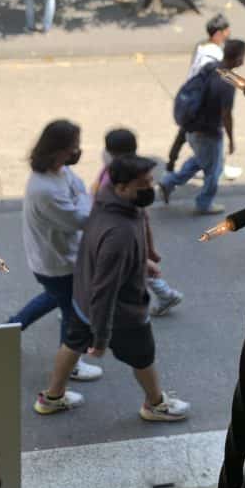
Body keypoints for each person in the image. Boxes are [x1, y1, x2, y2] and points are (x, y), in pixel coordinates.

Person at [35, 154, 190, 422]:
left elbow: (102, 259)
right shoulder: (120, 232)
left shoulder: (107, 201)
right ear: (122, 187)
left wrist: (140, 263)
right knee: (143, 356)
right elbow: (105, 291)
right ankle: (155, 404)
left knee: (72, 343)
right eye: (143, 183)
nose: (149, 187)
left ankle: (52, 397)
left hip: (82, 301)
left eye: (150, 180)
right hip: (121, 314)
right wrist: (101, 338)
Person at [7, 120, 102, 381]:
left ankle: (10, 329)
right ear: (57, 150)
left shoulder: (59, 172)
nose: (77, 151)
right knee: (73, 314)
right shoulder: (45, 189)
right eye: (73, 147)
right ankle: (70, 362)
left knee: (54, 297)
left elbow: (81, 194)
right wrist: (85, 200)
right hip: (58, 262)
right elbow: (81, 217)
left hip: (55, 259)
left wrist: (83, 200)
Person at [93, 128, 184, 316]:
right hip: (122, 232)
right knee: (134, 265)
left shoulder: (117, 177)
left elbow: (140, 216)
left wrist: (148, 249)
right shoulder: (126, 172)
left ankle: (85, 304)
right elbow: (143, 217)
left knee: (124, 267)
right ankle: (165, 293)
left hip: (114, 233)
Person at [159, 40, 245, 215]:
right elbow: (226, 115)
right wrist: (231, 140)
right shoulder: (228, 83)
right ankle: (204, 203)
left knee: (201, 160)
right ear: (238, 59)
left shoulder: (211, 67)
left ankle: (168, 182)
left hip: (192, 128)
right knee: (215, 170)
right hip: (208, 132)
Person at [169, 14, 241, 179]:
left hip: (192, 97)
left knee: (185, 134)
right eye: (226, 31)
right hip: (202, 102)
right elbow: (215, 78)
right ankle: (214, 167)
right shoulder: (215, 54)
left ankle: (171, 165)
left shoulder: (201, 46)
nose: (229, 33)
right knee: (211, 137)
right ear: (218, 34)